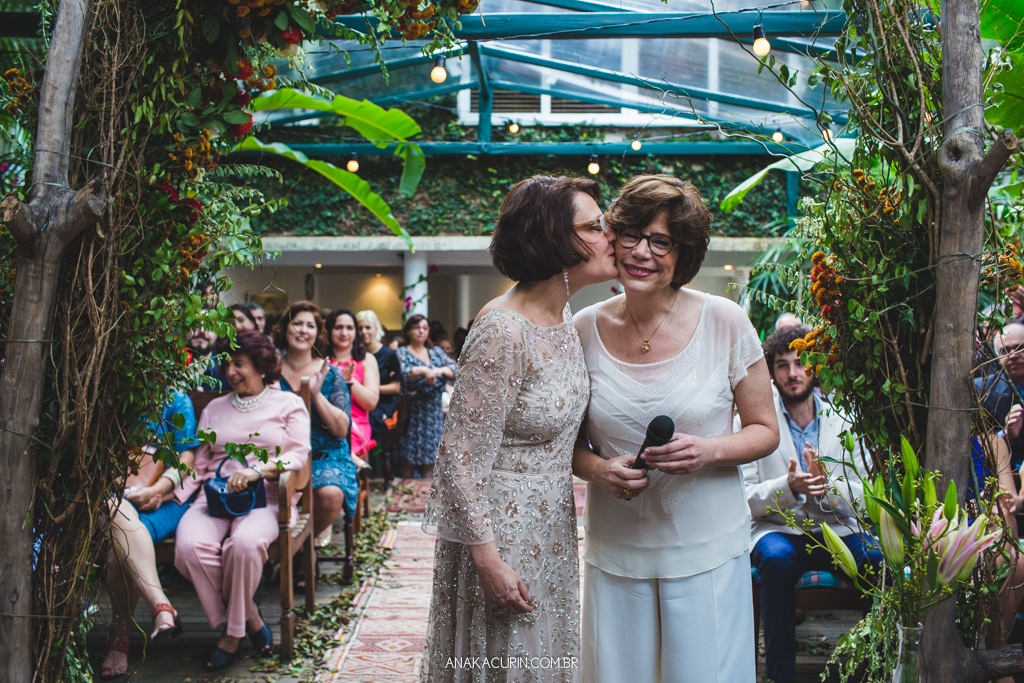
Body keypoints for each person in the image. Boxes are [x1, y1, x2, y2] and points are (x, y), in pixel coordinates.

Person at [571, 174, 779, 683]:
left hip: (707, 548)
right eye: (631, 235)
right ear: (613, 238)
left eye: (660, 241)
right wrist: (599, 469)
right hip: (616, 549)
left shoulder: (726, 321)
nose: (642, 252)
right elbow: (568, 444)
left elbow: (764, 430)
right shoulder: (581, 328)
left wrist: (707, 450)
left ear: (683, 253)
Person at [421, 174, 618, 682]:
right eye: (595, 225)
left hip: (550, 527)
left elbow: (559, 440)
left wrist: (602, 470)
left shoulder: (564, 317)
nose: (611, 234)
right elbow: (458, 460)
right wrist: (487, 561)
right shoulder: (503, 330)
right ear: (555, 239)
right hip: (499, 536)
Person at [742, 324, 880, 683]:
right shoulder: (757, 421)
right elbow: (745, 498)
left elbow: (866, 498)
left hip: (839, 528)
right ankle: (780, 675)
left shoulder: (847, 418)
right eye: (782, 365)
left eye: (800, 363)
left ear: (814, 367)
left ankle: (878, 668)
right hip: (781, 529)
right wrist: (787, 485)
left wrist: (827, 486)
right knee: (773, 560)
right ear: (771, 373)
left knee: (879, 560)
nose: (793, 373)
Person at [173, 330, 311, 671]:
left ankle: (231, 635)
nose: (231, 372)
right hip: (215, 495)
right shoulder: (216, 408)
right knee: (189, 546)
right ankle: (250, 617)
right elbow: (200, 462)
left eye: (240, 364)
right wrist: (170, 495)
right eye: (228, 365)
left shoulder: (289, 403)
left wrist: (259, 470)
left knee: (244, 546)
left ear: (262, 367)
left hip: (266, 498)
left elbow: (298, 456)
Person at [100, 392, 198, 679]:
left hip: (163, 497)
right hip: (112, 498)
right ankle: (160, 604)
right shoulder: (109, 389)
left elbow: (186, 456)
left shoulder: (175, 396)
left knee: (120, 553)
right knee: (115, 512)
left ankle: (120, 639)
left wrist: (157, 491)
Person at [273, 301, 357, 542]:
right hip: (280, 452)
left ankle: (301, 550)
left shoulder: (330, 373)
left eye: (310, 325)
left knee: (330, 494)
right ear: (284, 329)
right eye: (296, 323)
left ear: (318, 333)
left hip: (325, 454)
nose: (303, 330)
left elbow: (341, 430)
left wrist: (316, 394)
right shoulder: (269, 371)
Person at [394, 314, 458, 479]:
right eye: (416, 327)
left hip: (432, 414)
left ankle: (424, 503)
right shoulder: (402, 352)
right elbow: (403, 372)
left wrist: (438, 370)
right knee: (407, 462)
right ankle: (403, 500)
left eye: (424, 327)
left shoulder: (435, 352)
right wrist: (424, 371)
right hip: (411, 411)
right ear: (408, 330)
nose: (421, 331)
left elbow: (455, 369)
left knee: (429, 463)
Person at [326, 308, 380, 459]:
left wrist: (348, 380)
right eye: (338, 328)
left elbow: (370, 403)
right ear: (329, 330)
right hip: (325, 422)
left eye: (349, 328)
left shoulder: (366, 360)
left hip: (355, 426)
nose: (344, 333)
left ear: (355, 332)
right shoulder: (321, 360)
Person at [977, 323, 1024, 468]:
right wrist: (1006, 435)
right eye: (1005, 350)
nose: (1013, 355)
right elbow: (979, 447)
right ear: (997, 356)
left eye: (1020, 348)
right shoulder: (982, 389)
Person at [356, 310, 402, 450]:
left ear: (376, 329)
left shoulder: (389, 355)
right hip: (359, 401)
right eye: (360, 328)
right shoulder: (356, 353)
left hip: (383, 404)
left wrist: (370, 389)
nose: (364, 332)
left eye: (368, 327)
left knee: (366, 420)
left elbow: (396, 387)